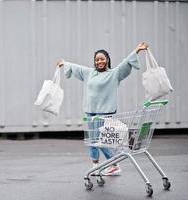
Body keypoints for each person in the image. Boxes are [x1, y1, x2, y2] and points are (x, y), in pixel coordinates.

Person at [57, 42, 149, 176]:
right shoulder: (89, 73)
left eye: (102, 59)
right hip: (90, 111)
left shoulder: (114, 74)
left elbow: (125, 63)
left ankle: (114, 164)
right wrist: (64, 63)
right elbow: (76, 67)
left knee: (101, 140)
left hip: (104, 113)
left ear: (107, 60)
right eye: (97, 59)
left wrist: (136, 50)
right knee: (93, 141)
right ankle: (95, 165)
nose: (99, 61)